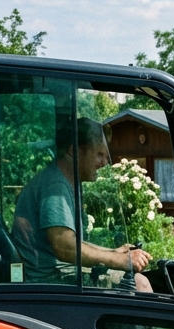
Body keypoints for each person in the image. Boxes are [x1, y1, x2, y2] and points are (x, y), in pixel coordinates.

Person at [12, 116, 153, 290]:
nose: (105, 162)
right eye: (99, 155)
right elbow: (64, 246)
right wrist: (119, 260)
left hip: (55, 275)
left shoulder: (64, 181)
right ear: (75, 151)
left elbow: (72, 241)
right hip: (46, 283)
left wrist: (112, 252)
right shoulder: (55, 186)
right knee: (139, 284)